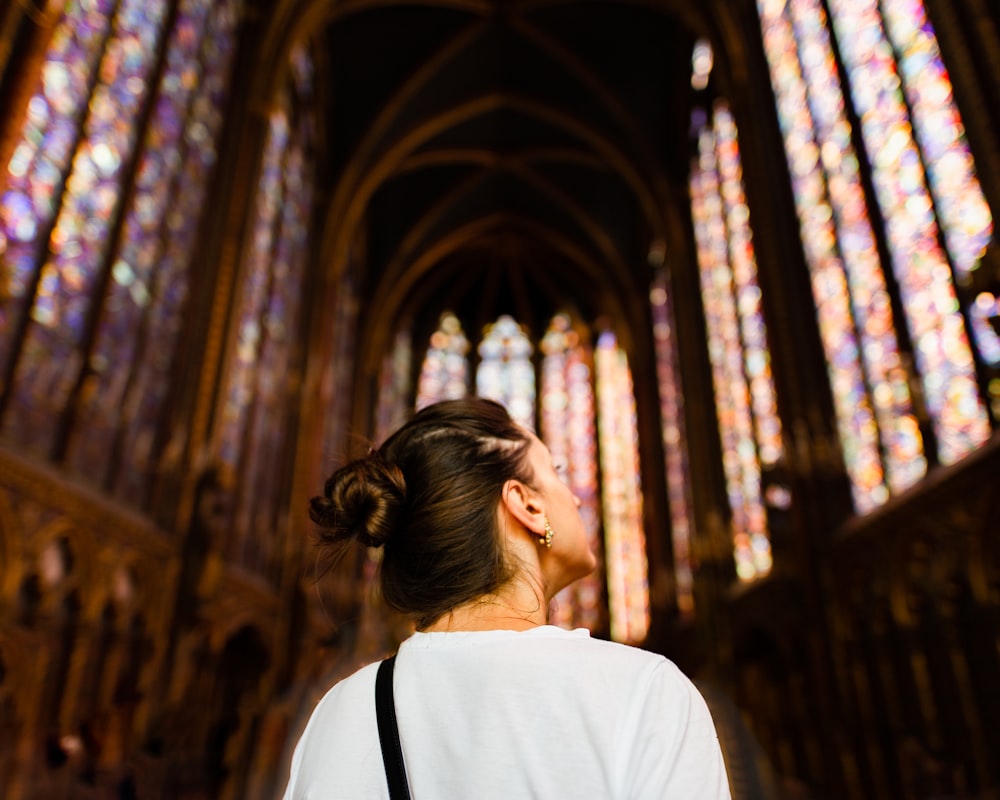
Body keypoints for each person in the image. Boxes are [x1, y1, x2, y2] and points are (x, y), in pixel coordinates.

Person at [282, 397, 731, 798]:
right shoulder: (643, 691)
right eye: (554, 473)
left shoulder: (339, 712)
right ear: (527, 505)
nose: (574, 498)